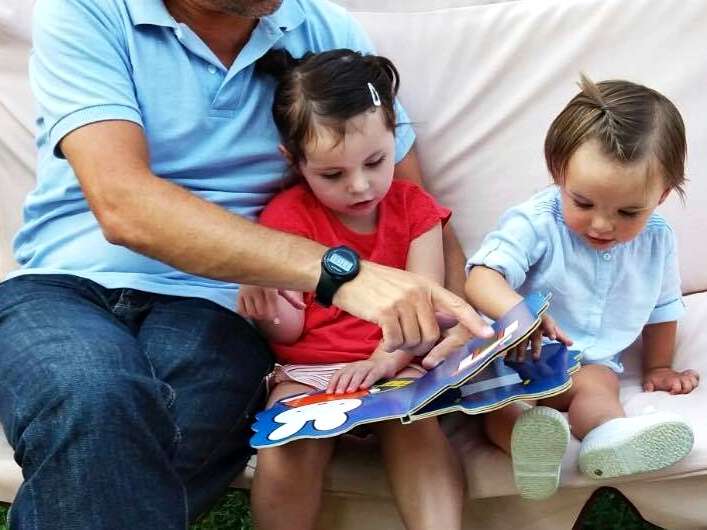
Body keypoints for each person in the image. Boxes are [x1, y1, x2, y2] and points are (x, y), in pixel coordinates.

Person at [0, 1, 492, 529]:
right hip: (61, 289)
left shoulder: (324, 30)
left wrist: (456, 317)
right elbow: (124, 207)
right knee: (96, 399)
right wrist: (337, 272)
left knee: (130, 443)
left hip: (220, 309)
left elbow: (416, 210)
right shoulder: (88, 12)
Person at [238, 48, 465, 530]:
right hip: (312, 372)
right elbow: (292, 329)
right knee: (288, 440)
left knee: (415, 429)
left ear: (394, 139)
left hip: (397, 364)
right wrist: (268, 304)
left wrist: (383, 363)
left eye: (376, 161)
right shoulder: (286, 218)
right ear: (295, 162)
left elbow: (422, 308)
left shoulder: (415, 211)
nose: (360, 186)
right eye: (333, 175)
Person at [463, 75, 699, 500]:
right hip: (520, 354)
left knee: (599, 392)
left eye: (628, 211)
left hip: (589, 364)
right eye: (584, 203)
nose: (602, 225)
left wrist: (658, 367)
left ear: (661, 196)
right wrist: (521, 316)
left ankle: (608, 439)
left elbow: (663, 307)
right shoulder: (536, 221)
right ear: (559, 174)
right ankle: (531, 450)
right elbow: (482, 276)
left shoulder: (658, 238)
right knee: (506, 404)